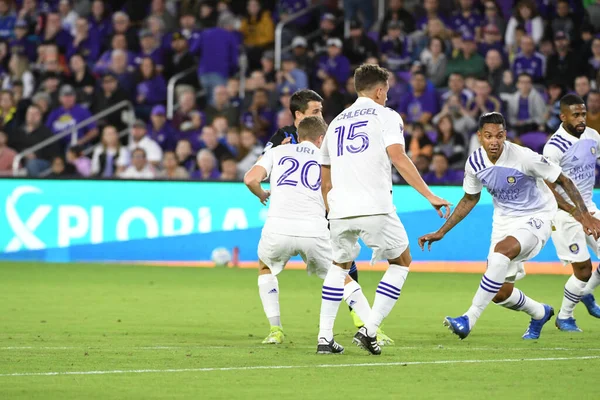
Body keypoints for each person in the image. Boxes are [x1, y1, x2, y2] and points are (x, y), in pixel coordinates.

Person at [418, 112, 600, 340]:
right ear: (479, 137)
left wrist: (585, 216)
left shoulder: (524, 157)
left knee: (502, 251)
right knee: (499, 293)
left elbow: (563, 179)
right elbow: (469, 198)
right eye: (488, 136)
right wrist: (441, 232)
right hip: (503, 221)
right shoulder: (474, 162)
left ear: (505, 135)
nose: (494, 141)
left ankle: (468, 318)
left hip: (537, 216)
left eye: (499, 135)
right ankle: (539, 312)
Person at [317, 64, 451, 355]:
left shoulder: (335, 122)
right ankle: (370, 329)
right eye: (386, 93)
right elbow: (398, 157)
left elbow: (324, 178)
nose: (387, 98)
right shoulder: (386, 115)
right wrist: (429, 195)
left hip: (339, 211)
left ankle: (324, 337)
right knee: (401, 261)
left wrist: (330, 212)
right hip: (374, 207)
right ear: (379, 91)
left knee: (339, 266)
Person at [263, 88, 392, 343]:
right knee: (336, 266)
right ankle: (280, 329)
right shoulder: (281, 139)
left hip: (326, 210)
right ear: (298, 114)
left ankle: (360, 321)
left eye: (321, 110)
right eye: (316, 111)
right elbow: (267, 165)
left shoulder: (330, 133)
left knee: (345, 263)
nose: (322, 115)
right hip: (294, 214)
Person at [244, 116, 371, 348]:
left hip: (278, 228)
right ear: (321, 138)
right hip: (314, 229)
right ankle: (373, 328)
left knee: (265, 267)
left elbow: (250, 179)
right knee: (342, 275)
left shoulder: (277, 152)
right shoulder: (331, 158)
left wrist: (262, 194)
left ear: (298, 136)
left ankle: (275, 329)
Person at [543, 94, 600, 331]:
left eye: (583, 114)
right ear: (563, 116)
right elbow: (547, 188)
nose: (581, 119)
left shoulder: (593, 136)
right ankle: (565, 317)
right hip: (563, 214)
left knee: (585, 277)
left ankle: (584, 294)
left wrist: (586, 212)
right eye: (575, 115)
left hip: (589, 207)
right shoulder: (554, 147)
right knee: (583, 269)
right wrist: (576, 213)